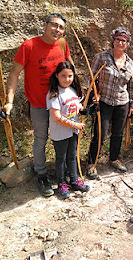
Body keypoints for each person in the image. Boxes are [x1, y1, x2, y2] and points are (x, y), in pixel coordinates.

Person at [3, 13, 74, 197]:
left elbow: (69, 69)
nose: (57, 30)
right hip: (39, 104)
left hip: (60, 103)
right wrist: (9, 101)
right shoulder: (29, 46)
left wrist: (76, 96)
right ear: (45, 25)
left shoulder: (62, 44)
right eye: (54, 25)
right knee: (41, 139)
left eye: (61, 27)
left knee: (63, 138)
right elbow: (14, 74)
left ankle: (64, 173)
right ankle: (41, 174)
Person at [86, 27, 133, 178]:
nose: (120, 43)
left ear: (127, 44)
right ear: (113, 41)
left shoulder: (129, 62)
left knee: (118, 134)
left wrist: (132, 104)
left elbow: (132, 84)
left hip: (122, 102)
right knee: (100, 133)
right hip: (105, 101)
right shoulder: (101, 57)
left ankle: (114, 159)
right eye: (118, 39)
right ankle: (91, 163)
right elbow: (91, 78)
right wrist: (95, 94)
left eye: (124, 41)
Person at [46, 62, 89, 198]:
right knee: (61, 158)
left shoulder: (73, 90)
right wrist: (74, 125)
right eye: (63, 76)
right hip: (60, 133)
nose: (67, 79)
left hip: (72, 132)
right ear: (57, 76)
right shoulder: (53, 94)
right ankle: (62, 183)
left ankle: (74, 180)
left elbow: (77, 106)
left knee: (72, 156)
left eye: (70, 76)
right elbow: (56, 116)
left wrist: (83, 110)